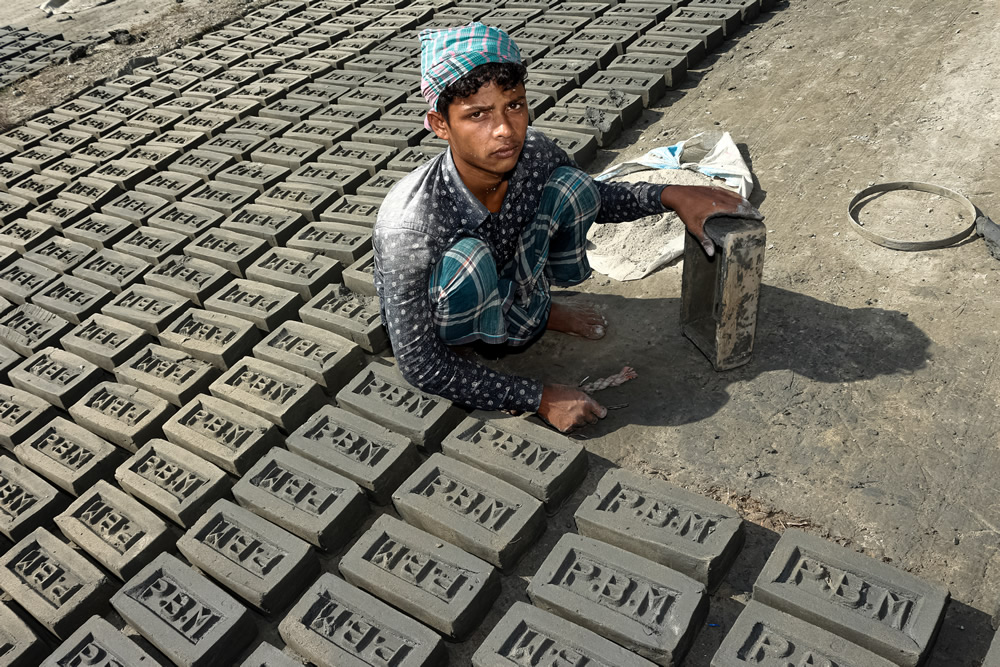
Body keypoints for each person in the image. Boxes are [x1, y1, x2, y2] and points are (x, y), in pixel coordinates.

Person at [373, 22, 755, 432]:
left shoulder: (534, 151)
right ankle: (473, 347)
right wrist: (535, 396)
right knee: (466, 264)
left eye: (514, 105)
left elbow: (597, 199)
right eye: (478, 115)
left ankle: (536, 312)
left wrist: (671, 194)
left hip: (512, 277)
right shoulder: (409, 226)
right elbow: (418, 364)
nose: (504, 129)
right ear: (440, 125)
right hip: (454, 309)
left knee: (572, 188)